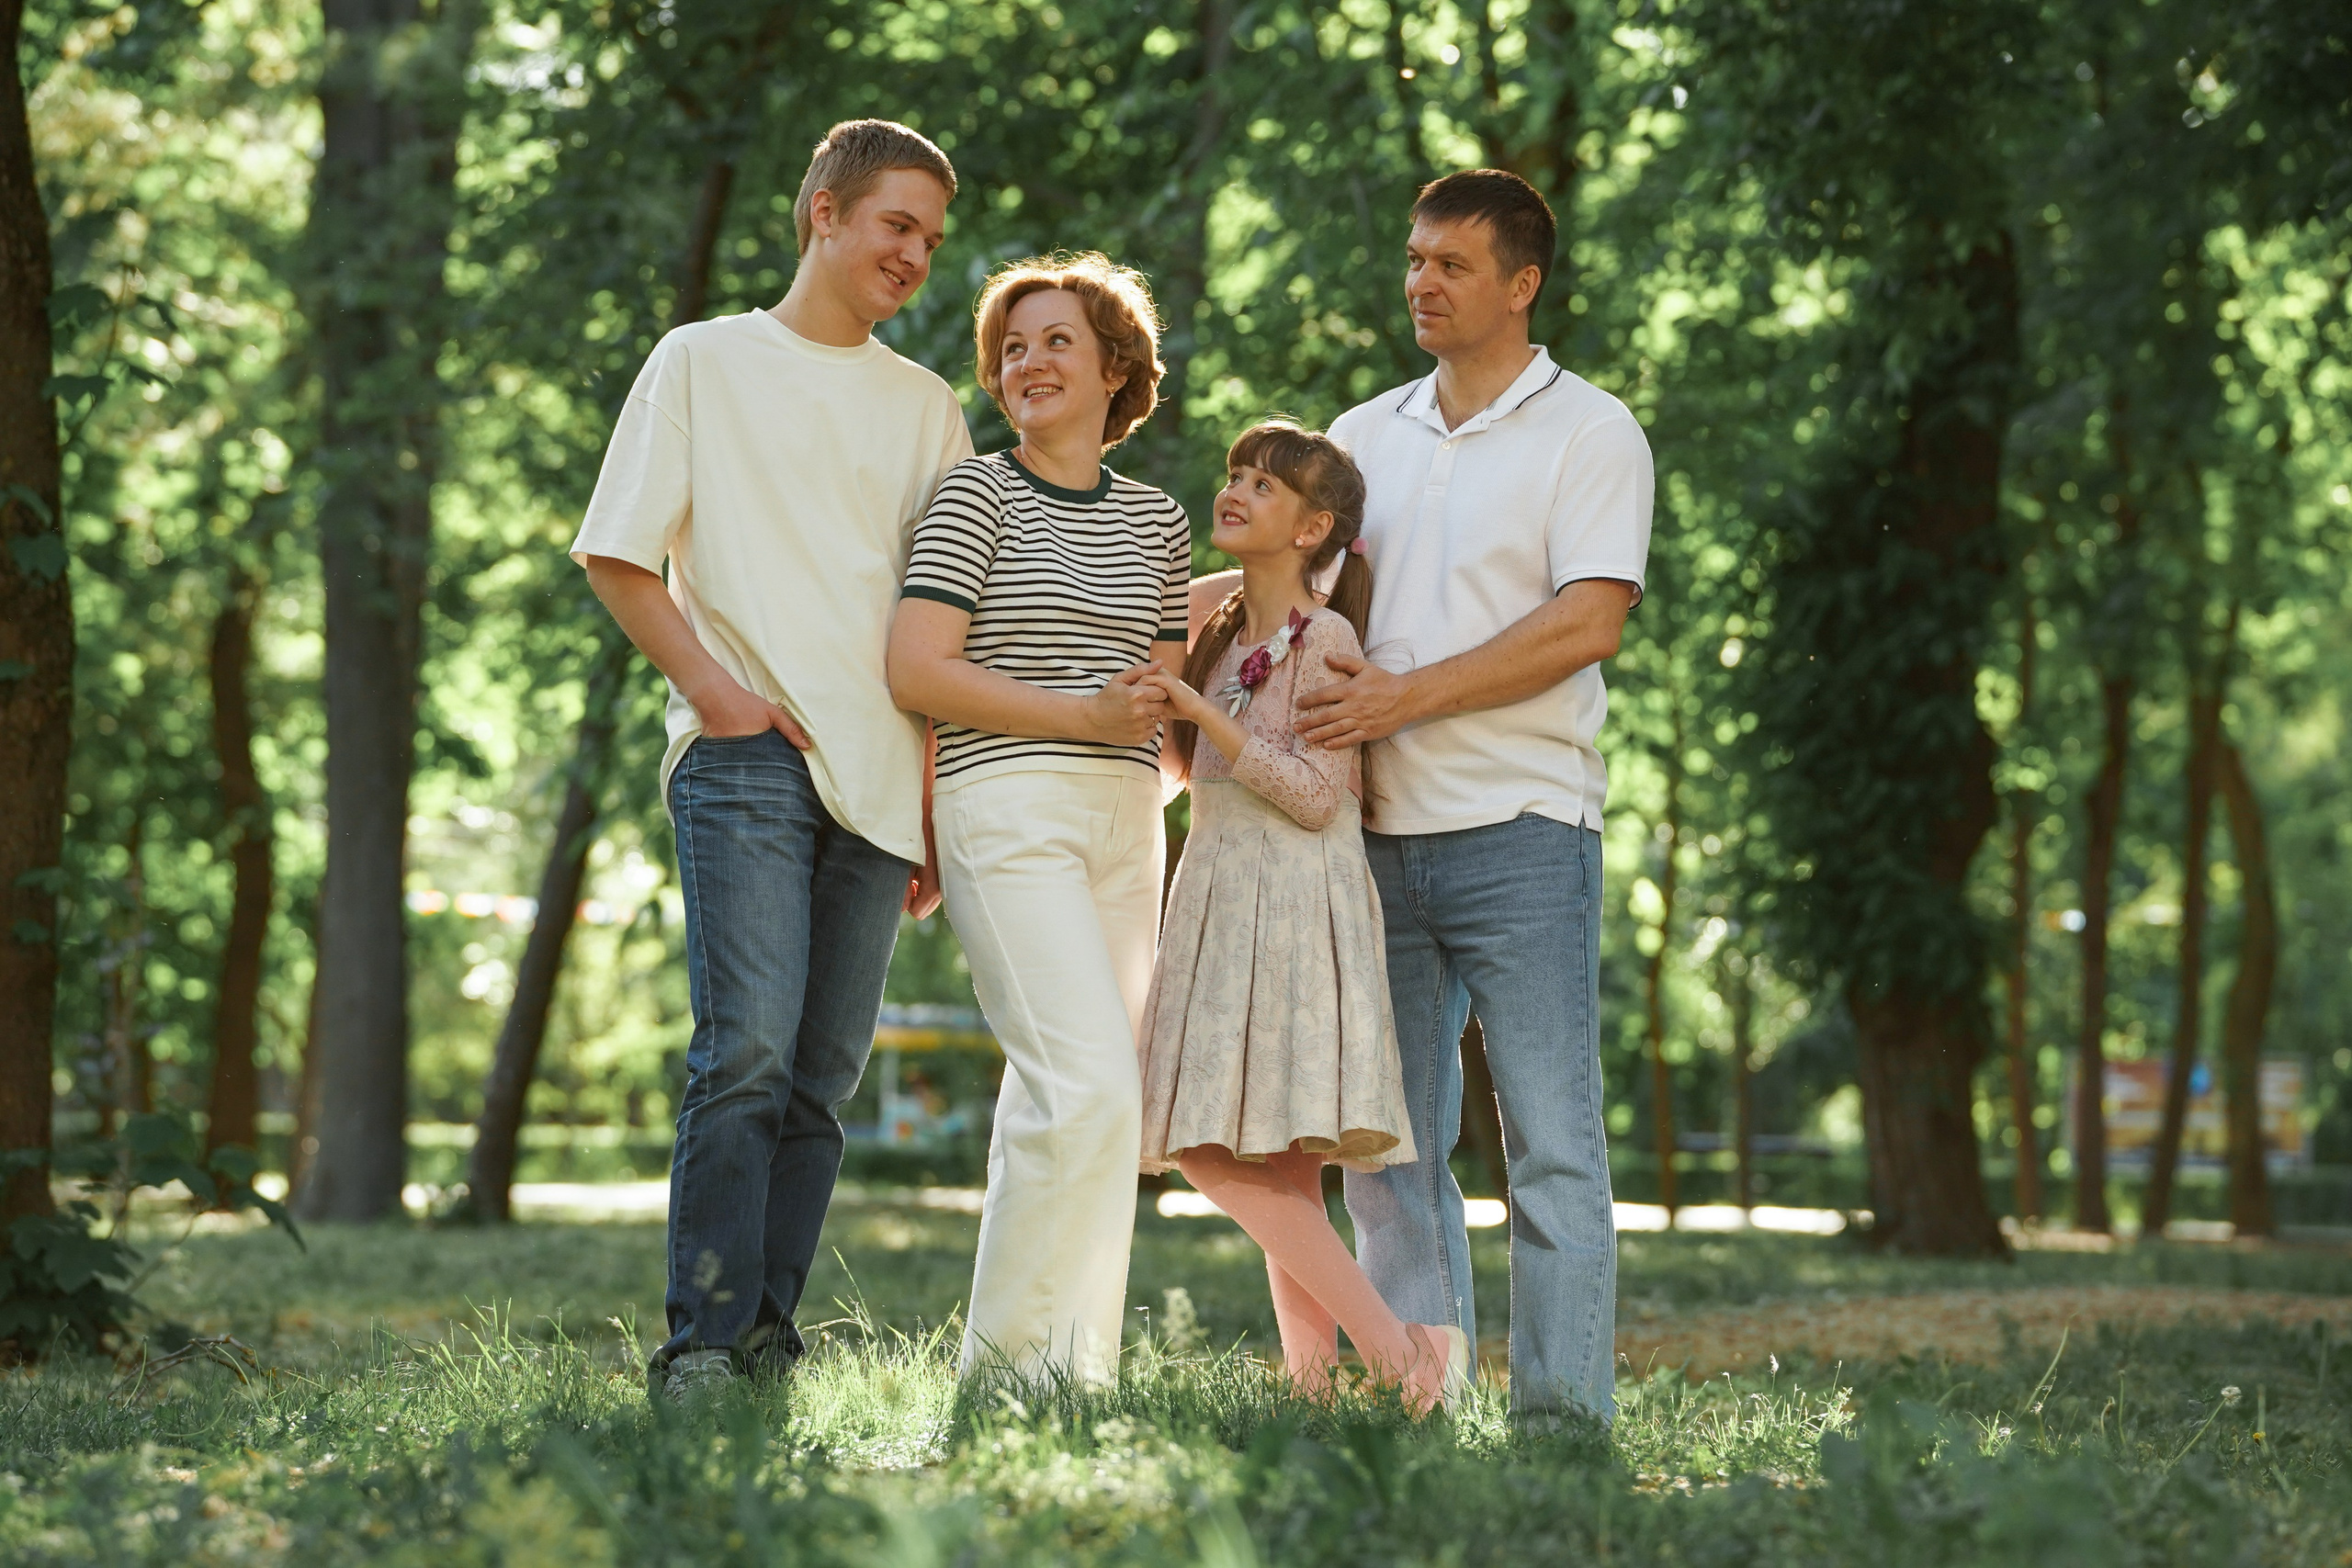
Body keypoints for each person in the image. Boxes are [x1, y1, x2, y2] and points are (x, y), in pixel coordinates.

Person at [570, 119, 973, 1402]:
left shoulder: (928, 407)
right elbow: (619, 553)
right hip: (746, 756)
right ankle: (697, 1342)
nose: (913, 254)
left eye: (929, 238)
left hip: (882, 772)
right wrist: (718, 694)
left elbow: (951, 612)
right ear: (823, 212)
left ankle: (764, 1339)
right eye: (895, 224)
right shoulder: (704, 359)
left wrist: (927, 796)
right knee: (741, 1049)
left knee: (819, 1078)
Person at [1299, 169, 1654, 1427]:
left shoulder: (1593, 432)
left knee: (1553, 1147)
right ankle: (1421, 1408)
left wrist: (1407, 698)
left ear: (1522, 283)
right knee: (1387, 1156)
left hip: (1523, 829)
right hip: (1373, 840)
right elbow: (1299, 610)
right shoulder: (1359, 435)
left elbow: (1587, 622)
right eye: (1413, 259)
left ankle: (1562, 1425)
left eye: (1451, 263)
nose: (1420, 283)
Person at [887, 253, 1189, 1383]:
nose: (1027, 363)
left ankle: (1046, 1372)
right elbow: (916, 667)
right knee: (1090, 1088)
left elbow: (1155, 700)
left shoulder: (1160, 522)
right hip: (1005, 805)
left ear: (1116, 368)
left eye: (1056, 341)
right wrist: (1081, 717)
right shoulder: (978, 493)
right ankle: (1031, 1378)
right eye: (1012, 348)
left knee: (1052, 1105)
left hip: (1125, 819)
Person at [1137, 422, 1471, 1414]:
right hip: (1218, 896)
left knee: (1200, 1148)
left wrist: (1202, 718)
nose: (1235, 491)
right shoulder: (1223, 635)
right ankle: (1315, 1391)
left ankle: (1399, 1351)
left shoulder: (1325, 638)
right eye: (1234, 474)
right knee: (1272, 1163)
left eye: (1264, 486)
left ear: (1314, 527)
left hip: (1292, 907)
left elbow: (1319, 796)